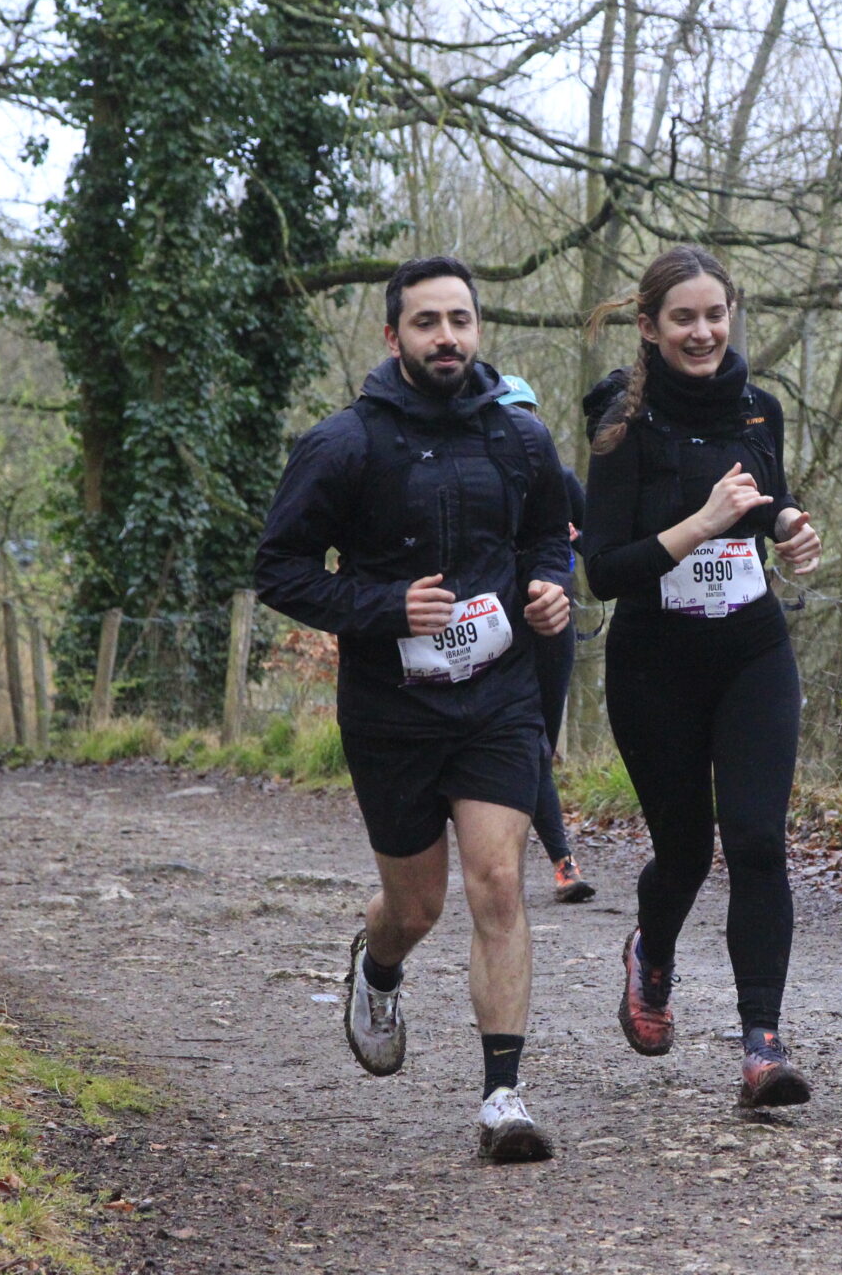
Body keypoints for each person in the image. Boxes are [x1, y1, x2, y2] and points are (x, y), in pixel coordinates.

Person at [255, 257, 575, 1161]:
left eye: (460, 321)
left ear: (479, 331)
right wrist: (385, 607)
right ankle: (380, 963)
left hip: (498, 698)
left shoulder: (520, 436)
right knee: (417, 905)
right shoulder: (343, 444)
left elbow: (549, 537)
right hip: (390, 709)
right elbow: (279, 570)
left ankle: (503, 1098)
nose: (447, 337)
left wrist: (548, 587)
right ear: (393, 336)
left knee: (498, 881)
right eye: (427, 322)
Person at [579, 244, 824, 1109]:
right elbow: (602, 571)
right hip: (655, 664)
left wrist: (788, 528)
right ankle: (651, 953)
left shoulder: (760, 409)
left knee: (756, 840)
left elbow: (768, 500)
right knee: (685, 851)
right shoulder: (621, 426)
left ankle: (763, 1044)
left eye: (715, 315)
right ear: (649, 327)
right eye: (683, 318)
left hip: (751, 651)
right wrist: (702, 524)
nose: (703, 332)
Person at [495, 375, 595, 904]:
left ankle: (529, 861)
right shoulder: (478, 481)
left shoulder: (561, 480)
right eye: (511, 413)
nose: (522, 423)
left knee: (539, 746)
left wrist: (574, 542)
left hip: (553, 630)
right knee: (521, 745)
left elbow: (602, 546)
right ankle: (558, 861)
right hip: (493, 634)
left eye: (528, 413)